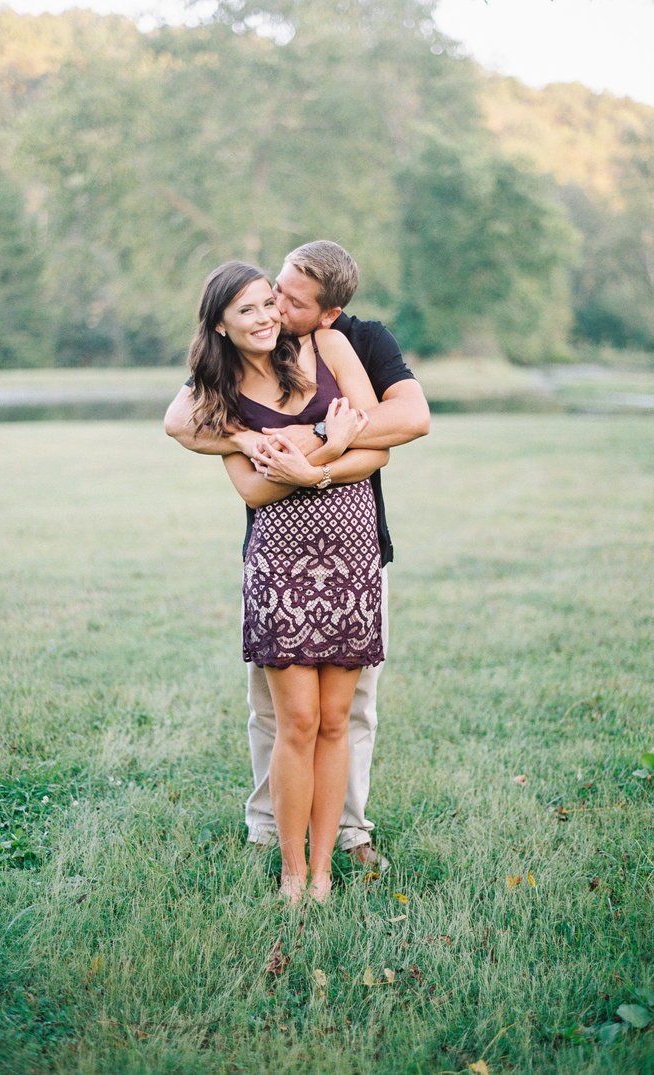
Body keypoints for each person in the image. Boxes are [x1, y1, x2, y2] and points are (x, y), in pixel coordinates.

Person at [165, 241, 430, 868]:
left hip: (355, 549)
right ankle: (270, 830)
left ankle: (347, 833)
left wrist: (308, 448)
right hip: (279, 556)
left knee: (348, 711)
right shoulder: (232, 363)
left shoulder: (354, 341)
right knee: (280, 712)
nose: (274, 309)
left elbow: (403, 425)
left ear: (328, 312)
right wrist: (264, 443)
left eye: (287, 299)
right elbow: (184, 423)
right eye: (268, 293)